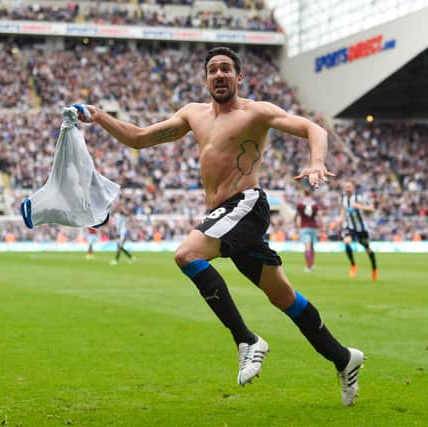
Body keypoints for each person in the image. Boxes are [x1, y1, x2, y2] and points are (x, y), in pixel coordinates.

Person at [74, 46, 364, 406]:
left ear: (238, 78)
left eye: (226, 69)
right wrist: (99, 116)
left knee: (186, 254)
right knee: (283, 297)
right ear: (206, 79)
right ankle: (343, 358)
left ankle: (247, 340)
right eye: (213, 70)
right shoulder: (193, 115)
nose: (220, 74)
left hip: (246, 205)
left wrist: (317, 161)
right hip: (227, 216)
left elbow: (312, 128)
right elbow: (140, 138)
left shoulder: (255, 112)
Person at [340, 181, 378, 281]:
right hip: (349, 226)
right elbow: (343, 210)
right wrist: (339, 219)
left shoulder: (360, 198)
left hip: (361, 228)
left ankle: (374, 269)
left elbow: (372, 208)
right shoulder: (343, 198)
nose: (347, 189)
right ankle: (353, 265)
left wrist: (360, 207)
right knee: (347, 242)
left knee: (367, 249)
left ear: (353, 188)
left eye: (349, 187)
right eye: (346, 187)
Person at [295, 187, 322, 272]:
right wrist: (321, 226)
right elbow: (319, 216)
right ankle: (312, 265)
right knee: (313, 247)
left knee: (307, 247)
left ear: (303, 194)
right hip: (313, 227)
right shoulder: (315, 204)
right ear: (310, 194)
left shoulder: (300, 205)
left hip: (304, 227)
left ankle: (308, 266)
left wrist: (298, 227)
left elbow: (298, 216)